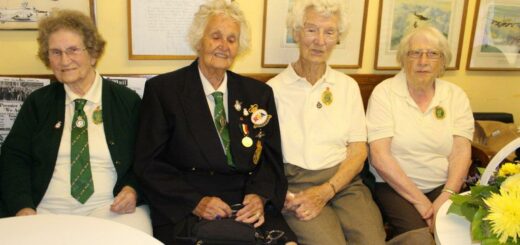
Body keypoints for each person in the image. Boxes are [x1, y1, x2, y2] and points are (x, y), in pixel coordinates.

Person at [133, 0, 297, 244]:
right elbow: (148, 163)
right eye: (216, 37)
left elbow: (270, 158)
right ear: (199, 40)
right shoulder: (164, 91)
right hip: (188, 204)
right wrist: (196, 202)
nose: (224, 46)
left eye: (232, 40)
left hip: (246, 202)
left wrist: (259, 196)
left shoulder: (258, 94)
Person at [0, 10, 152, 234]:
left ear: (92, 53)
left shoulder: (126, 101)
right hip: (46, 209)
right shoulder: (38, 103)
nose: (65, 60)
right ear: (47, 58)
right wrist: (23, 206)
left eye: (73, 50)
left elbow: (147, 157)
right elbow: (14, 158)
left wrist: (133, 189)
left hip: (111, 209)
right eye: (55, 52)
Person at [267, 0, 386, 244]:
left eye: (329, 32)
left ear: (337, 38)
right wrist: (284, 194)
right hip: (297, 184)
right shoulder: (273, 90)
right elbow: (266, 155)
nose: (320, 40)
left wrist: (328, 189)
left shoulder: (347, 87)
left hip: (344, 182)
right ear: (297, 33)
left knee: (372, 240)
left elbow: (358, 149)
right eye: (312, 29)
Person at [366, 25, 474, 243]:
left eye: (433, 54)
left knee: (465, 234)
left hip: (443, 185)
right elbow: (380, 157)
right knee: (422, 239)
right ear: (403, 59)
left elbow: (461, 152)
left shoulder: (455, 95)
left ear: (443, 61)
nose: (423, 61)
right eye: (415, 53)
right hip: (394, 187)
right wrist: (421, 202)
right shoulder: (385, 93)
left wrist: (448, 194)